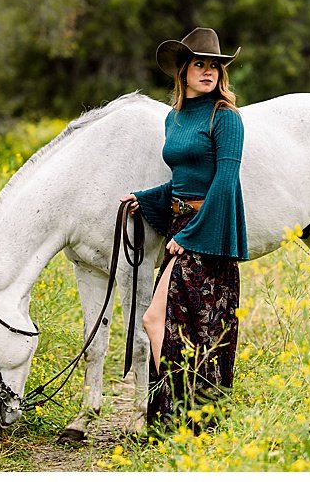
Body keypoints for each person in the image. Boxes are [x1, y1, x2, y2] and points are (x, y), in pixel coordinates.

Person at [121, 27, 249, 427]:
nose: (208, 72)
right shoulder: (174, 119)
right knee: (173, 325)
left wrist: (188, 236)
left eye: (214, 66)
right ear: (184, 71)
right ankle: (183, 415)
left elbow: (225, 182)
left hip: (207, 232)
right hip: (182, 226)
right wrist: (146, 199)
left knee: (165, 321)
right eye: (200, 64)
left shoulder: (226, 119)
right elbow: (182, 182)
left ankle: (186, 416)